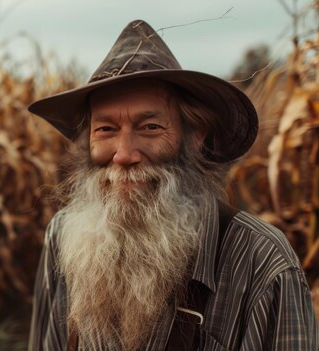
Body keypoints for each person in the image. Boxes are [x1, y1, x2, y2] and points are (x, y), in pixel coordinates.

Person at [27, 20, 319, 351]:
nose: (124, 155)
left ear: (195, 138)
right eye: (105, 129)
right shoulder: (63, 238)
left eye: (150, 127)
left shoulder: (263, 262)